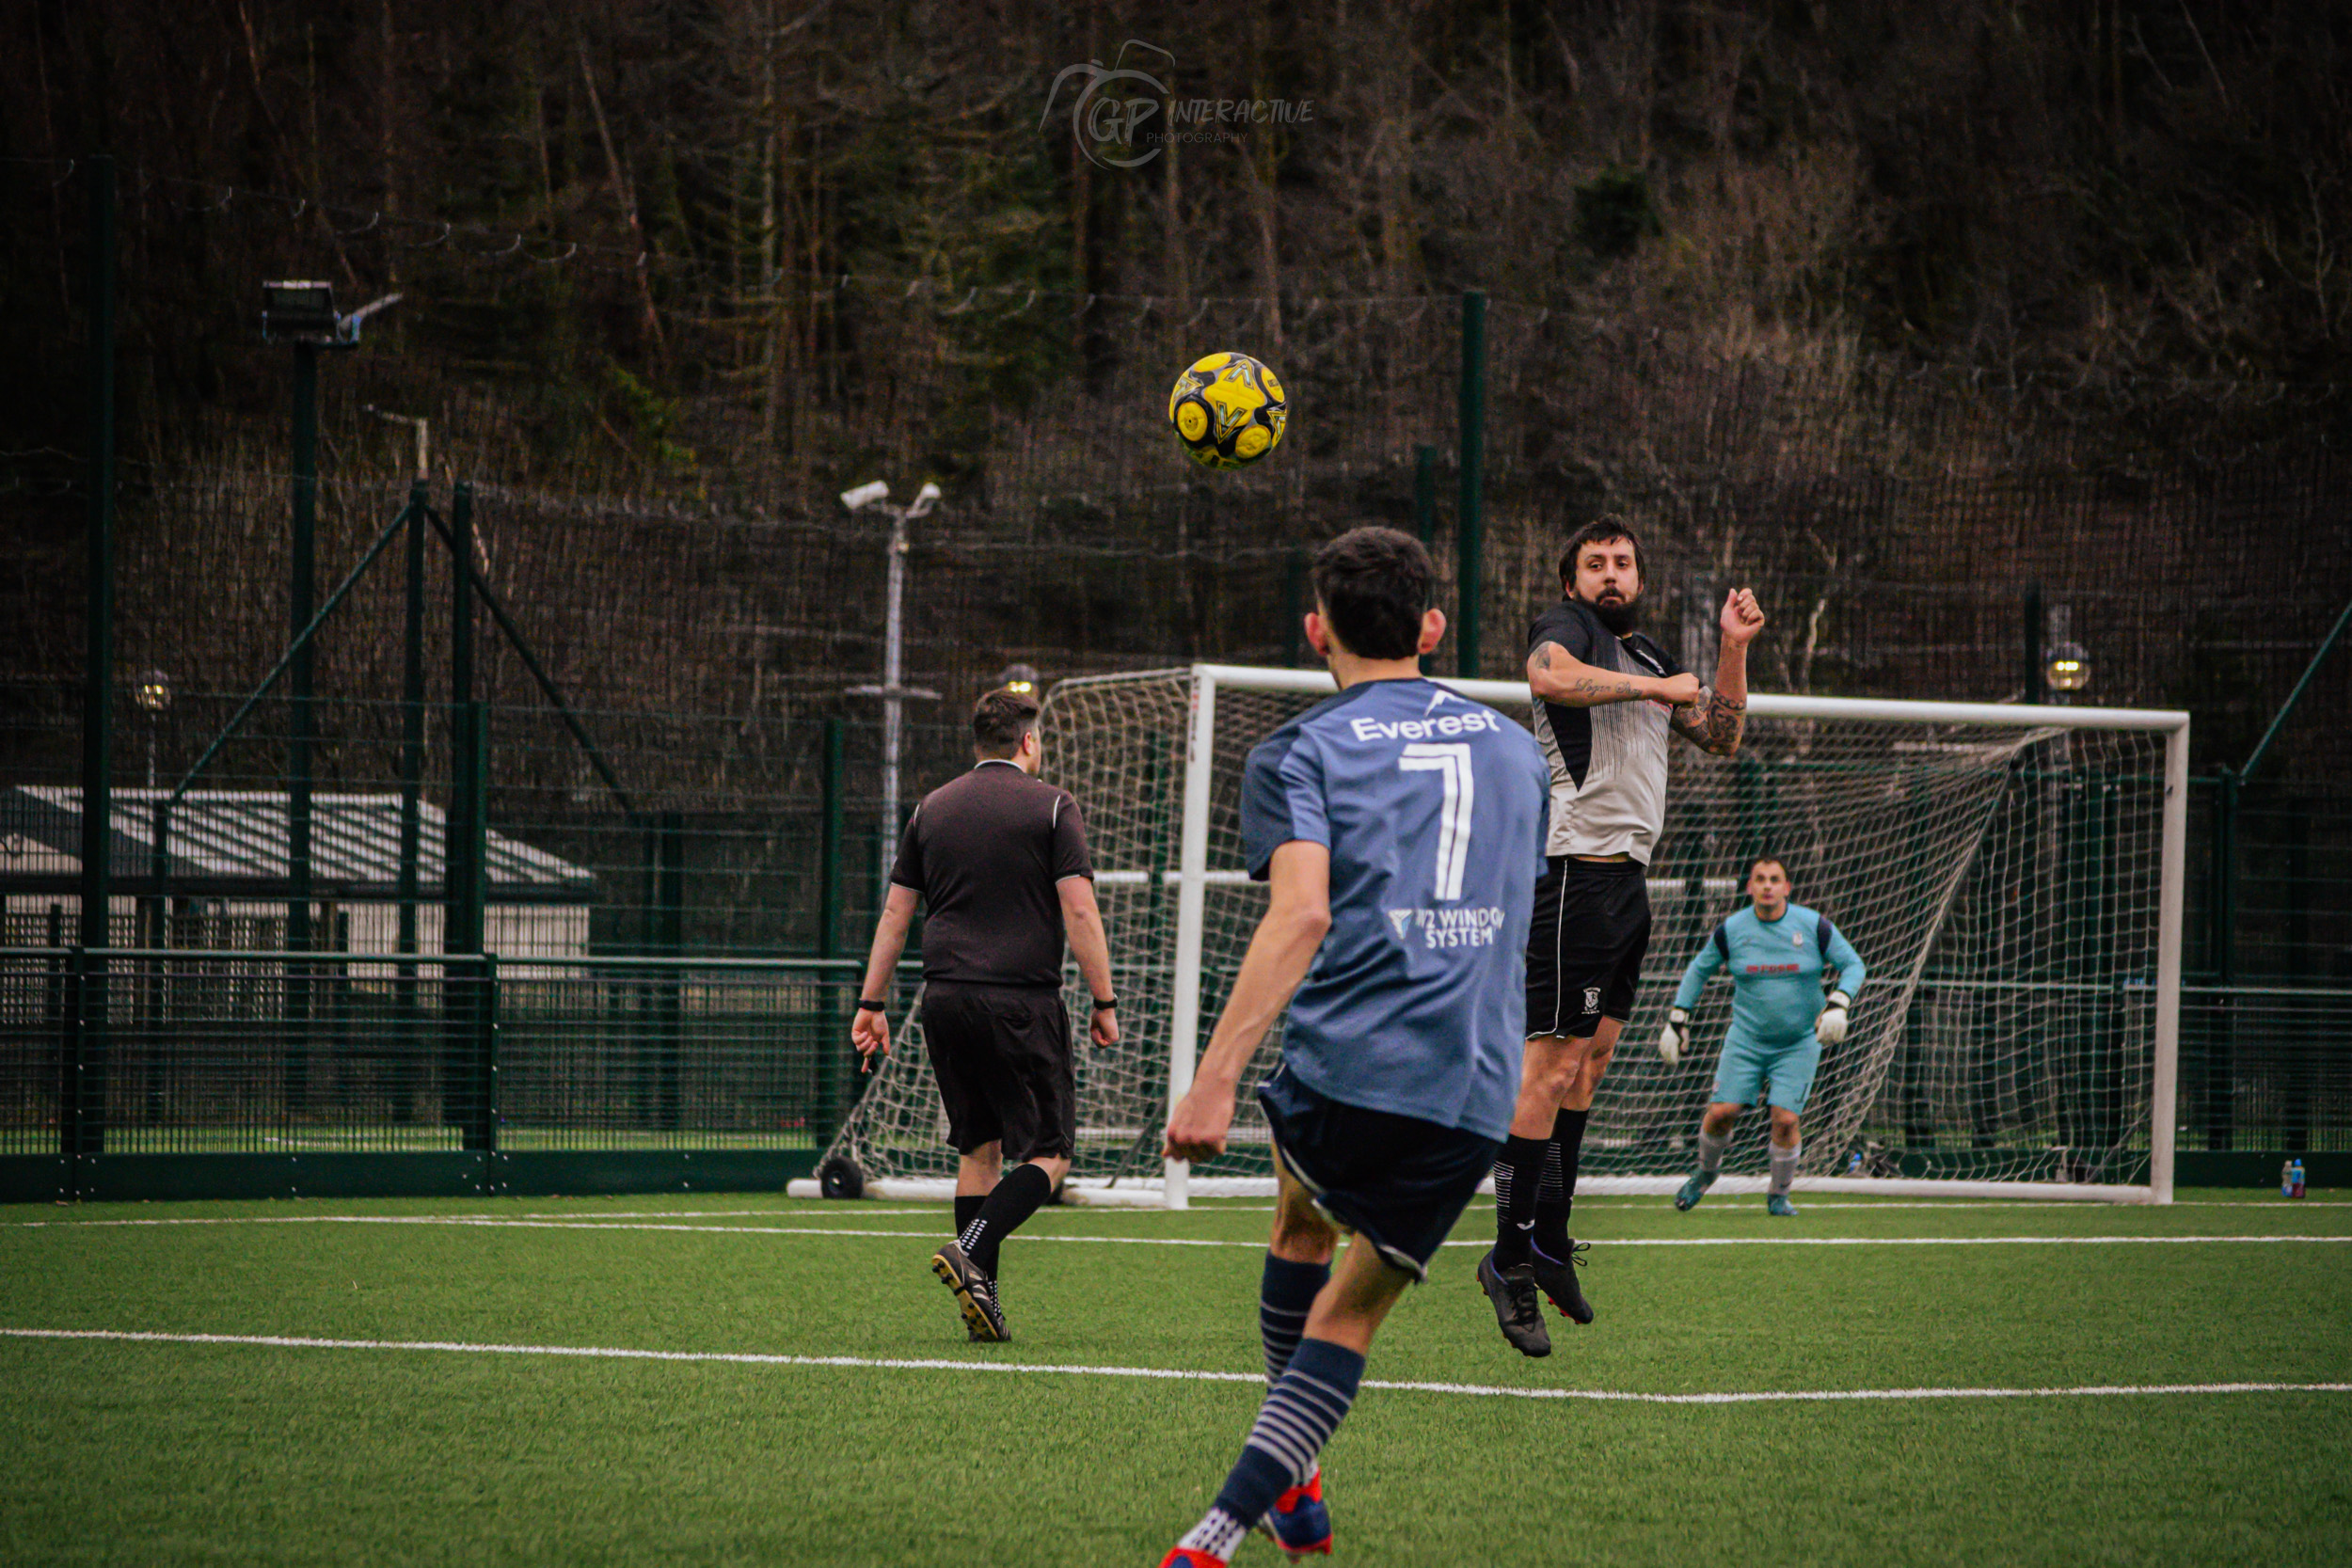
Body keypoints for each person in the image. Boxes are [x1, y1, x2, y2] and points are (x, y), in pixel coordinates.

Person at [1159, 527, 1549, 1568]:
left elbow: (1300, 915)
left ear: (1314, 629)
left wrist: (1213, 1080)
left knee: (1300, 1220)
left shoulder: (1297, 750)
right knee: (1350, 1310)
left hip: (1341, 1068)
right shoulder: (1518, 749)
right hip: (1471, 1091)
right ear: (1431, 627)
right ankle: (1273, 1500)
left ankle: (1227, 1524)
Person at [1479, 517, 1764, 1357]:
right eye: (1595, 563)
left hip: (1626, 884)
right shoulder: (1567, 629)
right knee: (1550, 1066)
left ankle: (1550, 1238)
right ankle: (1507, 1259)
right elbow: (1548, 675)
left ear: (1641, 578)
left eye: (1624, 562)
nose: (1611, 573)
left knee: (1591, 1061)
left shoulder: (1644, 655)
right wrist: (1654, 687)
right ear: (1572, 581)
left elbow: (1722, 734)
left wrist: (1731, 648)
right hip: (1573, 874)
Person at [850, 685, 1120, 1343]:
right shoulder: (1053, 805)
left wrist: (871, 1003)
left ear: (978, 744)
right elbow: (1079, 909)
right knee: (1050, 1153)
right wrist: (1104, 999)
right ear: (1029, 740)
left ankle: (983, 1310)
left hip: (943, 1000)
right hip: (1019, 1001)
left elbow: (895, 914)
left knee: (979, 1149)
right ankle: (969, 1247)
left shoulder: (931, 809)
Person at [1661, 856, 1866, 1215]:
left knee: (1785, 1119)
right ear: (1750, 887)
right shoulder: (1732, 930)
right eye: (1760, 879)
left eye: (1774, 879)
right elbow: (1698, 970)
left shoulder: (1813, 925)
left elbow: (1853, 964)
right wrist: (1678, 1019)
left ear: (1786, 887)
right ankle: (1706, 1173)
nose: (1767, 885)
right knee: (1721, 1113)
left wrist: (1839, 1002)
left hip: (1799, 1041)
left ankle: (1779, 1194)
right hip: (1746, 1040)